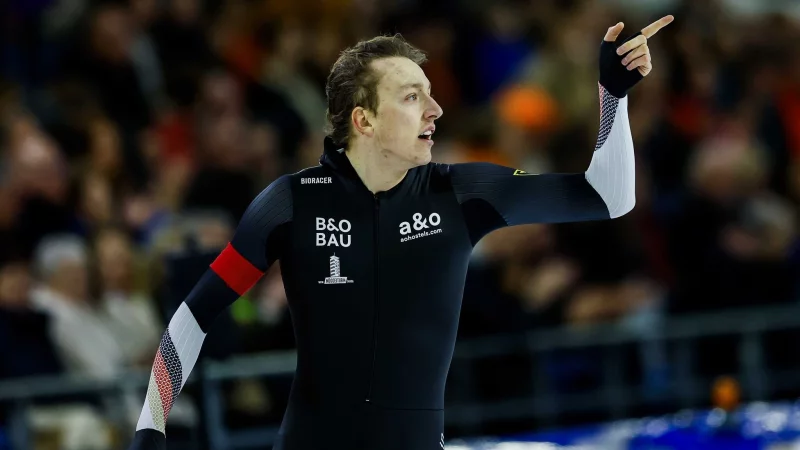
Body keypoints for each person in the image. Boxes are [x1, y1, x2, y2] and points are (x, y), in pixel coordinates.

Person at [128, 16, 674, 450]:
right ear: (363, 120)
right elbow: (192, 316)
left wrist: (613, 95)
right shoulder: (290, 203)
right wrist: (150, 428)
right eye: (413, 97)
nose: (436, 110)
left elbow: (609, 197)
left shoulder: (460, 193)